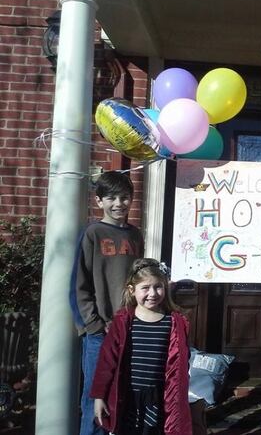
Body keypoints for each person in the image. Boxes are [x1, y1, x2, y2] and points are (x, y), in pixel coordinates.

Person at [69, 171, 144, 435]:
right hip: (100, 334)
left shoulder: (135, 235)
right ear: (99, 201)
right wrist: (93, 325)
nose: (119, 204)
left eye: (124, 197)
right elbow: (79, 284)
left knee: (124, 394)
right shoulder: (93, 233)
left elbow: (140, 281)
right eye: (111, 198)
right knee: (95, 398)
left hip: (130, 328)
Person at [91, 258, 192, 435]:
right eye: (145, 288)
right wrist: (99, 396)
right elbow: (107, 362)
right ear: (132, 290)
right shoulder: (123, 322)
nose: (152, 293)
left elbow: (180, 363)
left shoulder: (174, 323)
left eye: (158, 286)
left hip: (159, 399)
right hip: (127, 397)